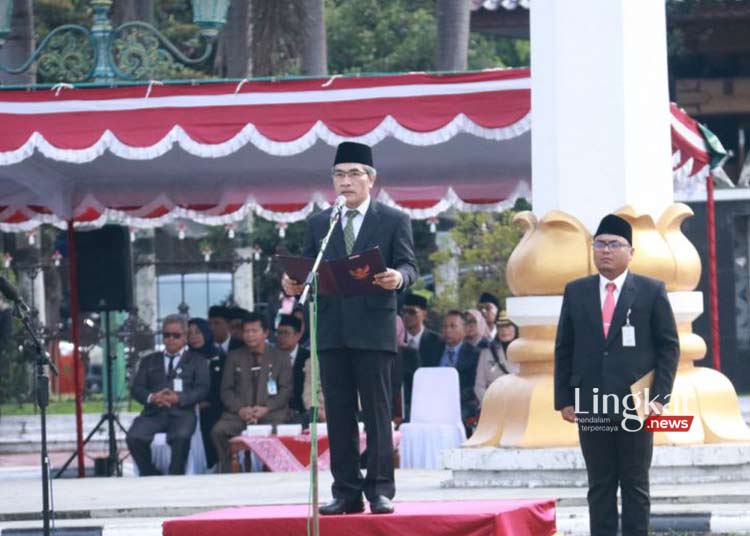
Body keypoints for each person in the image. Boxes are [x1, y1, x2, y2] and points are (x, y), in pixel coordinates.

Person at [282, 141, 417, 516]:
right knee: (338, 415)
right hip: (330, 330)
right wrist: (290, 284)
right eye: (339, 175)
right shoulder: (319, 224)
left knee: (376, 413)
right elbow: (306, 269)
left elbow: (410, 267)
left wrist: (397, 278)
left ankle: (379, 491)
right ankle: (345, 492)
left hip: (373, 329)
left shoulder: (393, 220)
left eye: (354, 173)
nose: (346, 181)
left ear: (371, 179)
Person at [554, 214, 679, 536]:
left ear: (630, 252)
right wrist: (564, 399)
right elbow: (564, 347)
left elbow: (668, 347)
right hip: (592, 400)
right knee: (600, 483)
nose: (605, 251)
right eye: (599, 244)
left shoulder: (651, 291)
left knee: (635, 482)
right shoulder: (577, 291)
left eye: (614, 244)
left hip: (636, 403)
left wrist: (660, 397)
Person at [126, 315, 209, 476]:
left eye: (176, 335)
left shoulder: (197, 360)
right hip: (153, 414)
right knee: (134, 437)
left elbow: (202, 389)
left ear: (185, 337)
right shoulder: (149, 360)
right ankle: (149, 474)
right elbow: (137, 388)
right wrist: (152, 397)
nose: (170, 339)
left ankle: (175, 476)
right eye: (166, 335)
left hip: (182, 413)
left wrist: (179, 398)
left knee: (181, 437)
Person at [211, 311, 293, 473]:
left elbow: (286, 390)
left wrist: (266, 408)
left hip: (271, 414)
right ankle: (230, 470)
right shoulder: (234, 356)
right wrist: (241, 409)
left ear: (266, 333)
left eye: (254, 331)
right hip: (240, 415)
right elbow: (226, 390)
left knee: (281, 431)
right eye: (246, 331)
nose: (249, 335)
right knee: (218, 431)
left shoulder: (281, 357)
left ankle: (272, 472)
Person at [187, 317, 224, 470]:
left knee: (210, 422)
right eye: (189, 334)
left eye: (198, 332)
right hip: (190, 406)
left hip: (216, 406)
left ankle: (214, 465)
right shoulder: (186, 359)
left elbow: (223, 388)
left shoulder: (220, 357)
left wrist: (206, 403)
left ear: (207, 333)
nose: (194, 337)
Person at [435, 311, 480, 433]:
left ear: (465, 330)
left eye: (453, 326)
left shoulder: (474, 354)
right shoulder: (433, 350)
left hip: (461, 403)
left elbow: (473, 385)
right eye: (444, 326)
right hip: (434, 400)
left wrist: (453, 397)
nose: (447, 330)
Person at [274, 314, 310, 423]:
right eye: (279, 333)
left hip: (304, 412)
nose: (281, 337)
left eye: (286, 333)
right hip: (276, 412)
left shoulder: (309, 358)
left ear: (298, 335)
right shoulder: (270, 357)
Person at [400, 293, 443, 369]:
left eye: (412, 312)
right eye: (404, 311)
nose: (407, 316)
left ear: (424, 314)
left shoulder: (437, 341)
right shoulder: (397, 340)